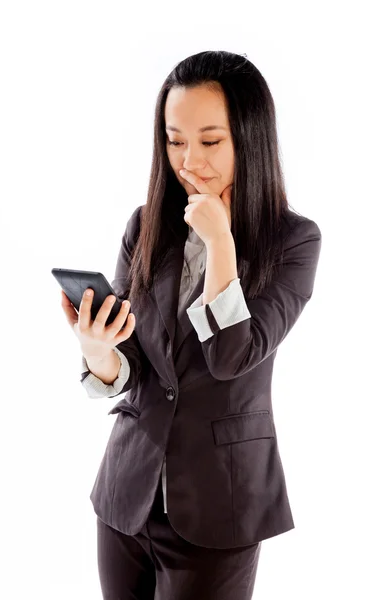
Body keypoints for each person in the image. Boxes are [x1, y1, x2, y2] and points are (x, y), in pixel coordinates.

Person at [61, 50, 322, 600]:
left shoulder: (294, 242)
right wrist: (97, 349)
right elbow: (130, 365)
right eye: (174, 140)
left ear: (249, 139)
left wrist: (221, 242)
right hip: (125, 497)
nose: (188, 161)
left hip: (218, 507)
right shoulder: (146, 224)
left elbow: (232, 356)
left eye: (210, 141)